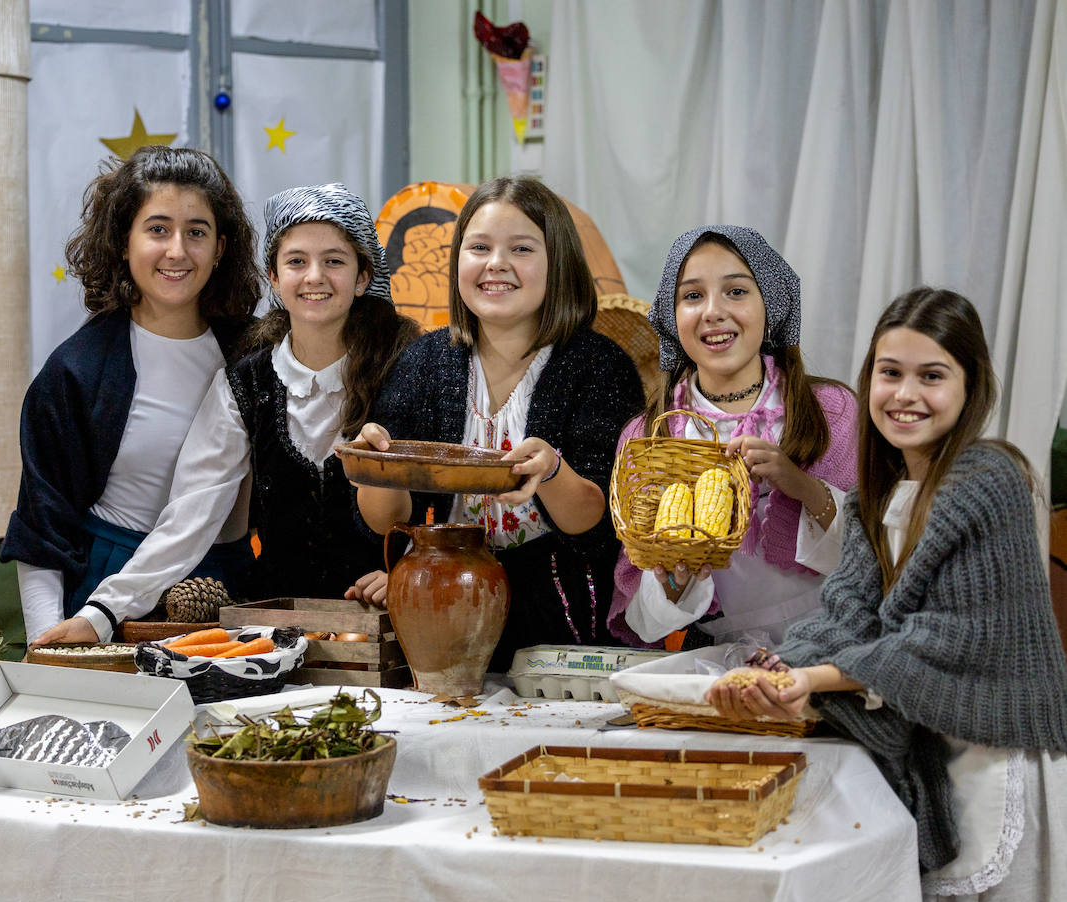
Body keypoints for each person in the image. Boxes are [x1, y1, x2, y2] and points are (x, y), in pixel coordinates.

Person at [705, 288, 1067, 902]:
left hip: (994, 754)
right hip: (930, 739)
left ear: (971, 384)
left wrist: (811, 678)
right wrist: (782, 673)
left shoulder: (991, 479)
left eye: (932, 376)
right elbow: (846, 615)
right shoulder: (874, 497)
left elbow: (945, 640)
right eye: (889, 372)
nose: (905, 395)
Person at [59, 183, 420, 638]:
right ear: (273, 277)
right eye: (296, 261)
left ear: (363, 277)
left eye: (334, 260)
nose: (314, 277)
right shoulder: (243, 384)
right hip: (273, 634)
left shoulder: (408, 369)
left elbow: (450, 504)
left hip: (392, 628)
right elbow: (191, 514)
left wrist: (412, 575)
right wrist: (102, 615)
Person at [354, 176, 643, 671]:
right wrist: (378, 466)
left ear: (560, 264)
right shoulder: (424, 360)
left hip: (564, 630)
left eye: (522, 249)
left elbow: (599, 522)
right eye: (479, 247)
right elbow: (386, 522)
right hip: (442, 617)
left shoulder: (599, 364)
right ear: (457, 262)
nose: (496, 264)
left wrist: (552, 473)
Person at [1, 147, 259, 644]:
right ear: (123, 241)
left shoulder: (256, 355)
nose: (177, 250)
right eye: (158, 229)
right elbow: (43, 528)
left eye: (197, 232)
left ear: (221, 247)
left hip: (230, 589)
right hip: (108, 593)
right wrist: (46, 646)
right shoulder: (75, 370)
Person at [606, 225, 859, 649]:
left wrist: (800, 486)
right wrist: (675, 580)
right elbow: (646, 622)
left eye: (736, 292)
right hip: (721, 659)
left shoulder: (830, 411)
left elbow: (876, 556)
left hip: (833, 646)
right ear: (672, 317)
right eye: (692, 296)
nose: (712, 311)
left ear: (771, 305)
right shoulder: (649, 439)